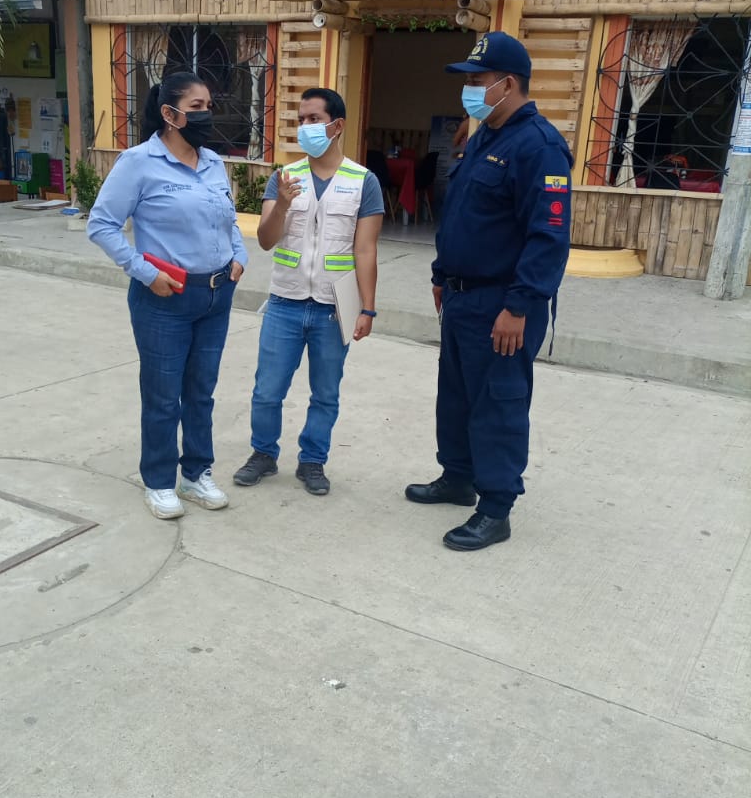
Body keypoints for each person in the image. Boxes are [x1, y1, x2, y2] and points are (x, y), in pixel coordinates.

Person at [405, 31, 572, 550]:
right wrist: (441, 275)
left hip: (502, 302)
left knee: (498, 401)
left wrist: (519, 305)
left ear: (509, 83)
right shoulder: (484, 137)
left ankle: (496, 508)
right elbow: (461, 215)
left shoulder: (539, 146)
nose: (470, 89)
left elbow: (549, 236)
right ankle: (457, 477)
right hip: (461, 296)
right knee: (456, 395)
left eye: (478, 80)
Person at [87, 72, 247, 521]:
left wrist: (239, 255)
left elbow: (227, 220)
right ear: (169, 114)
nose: (206, 114)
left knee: (201, 392)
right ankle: (159, 481)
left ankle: (196, 473)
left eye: (209, 105)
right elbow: (101, 225)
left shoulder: (213, 162)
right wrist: (145, 272)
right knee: (162, 396)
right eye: (196, 107)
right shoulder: (138, 162)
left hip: (216, 295)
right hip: (164, 298)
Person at [233, 88, 383, 497]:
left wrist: (367, 308)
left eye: (314, 119)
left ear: (337, 125)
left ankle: (313, 461)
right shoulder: (284, 178)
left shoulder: (363, 182)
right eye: (301, 120)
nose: (305, 127)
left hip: (335, 307)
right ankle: (263, 454)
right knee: (267, 391)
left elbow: (366, 250)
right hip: (285, 301)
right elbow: (266, 240)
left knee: (326, 393)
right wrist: (281, 205)